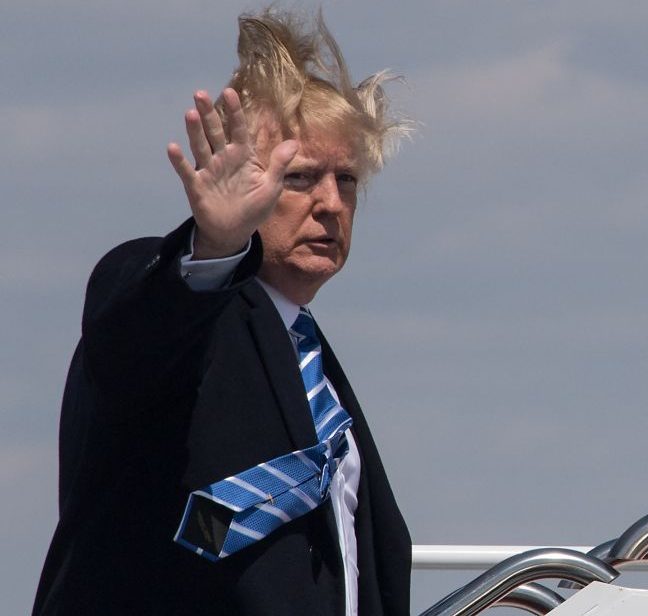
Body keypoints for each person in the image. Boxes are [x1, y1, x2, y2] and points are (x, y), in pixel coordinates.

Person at [33, 9, 412, 616]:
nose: (332, 203)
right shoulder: (185, 303)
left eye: (347, 180)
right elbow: (136, 341)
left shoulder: (308, 354)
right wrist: (216, 248)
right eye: (301, 178)